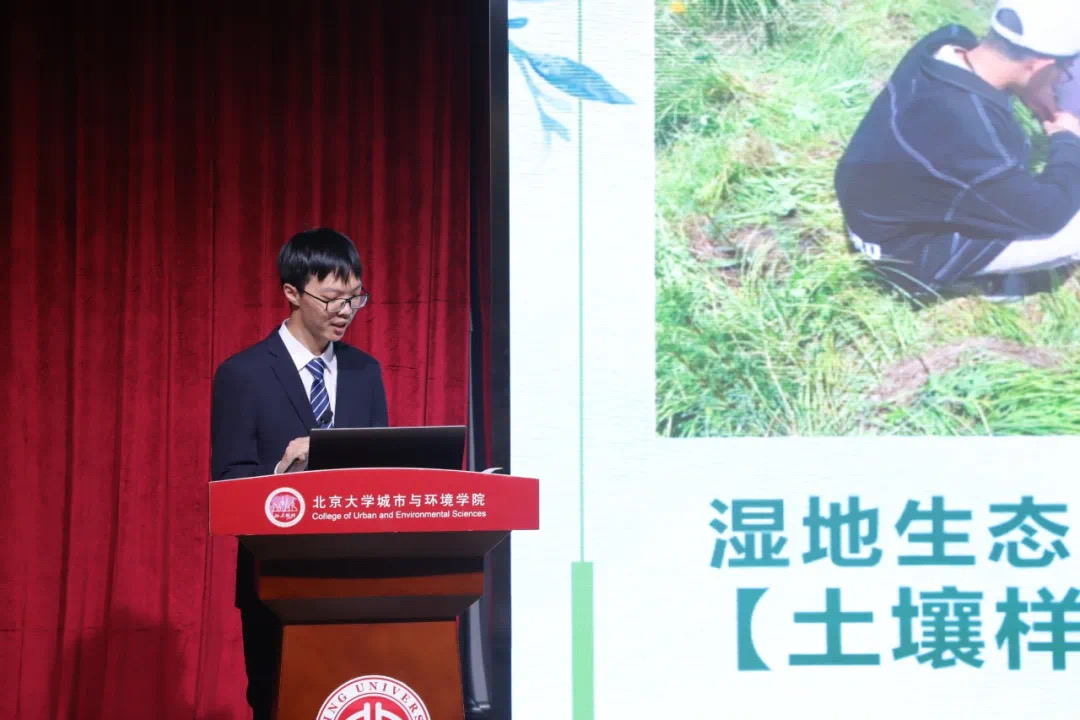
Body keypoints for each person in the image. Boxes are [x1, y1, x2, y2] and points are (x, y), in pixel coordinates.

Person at [209, 228, 389, 720]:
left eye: (355, 298)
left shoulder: (366, 372)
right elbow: (228, 487)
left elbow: (382, 475)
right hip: (277, 583)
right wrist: (282, 474)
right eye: (331, 298)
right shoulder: (243, 374)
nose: (345, 311)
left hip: (357, 583)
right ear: (291, 292)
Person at [835, 0, 1080, 299]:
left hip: (867, 198)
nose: (1063, 78)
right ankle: (991, 283)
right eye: (1063, 70)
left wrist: (1033, 89)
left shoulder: (946, 41)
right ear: (1040, 66)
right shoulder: (976, 136)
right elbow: (1048, 214)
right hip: (900, 253)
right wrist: (1067, 140)